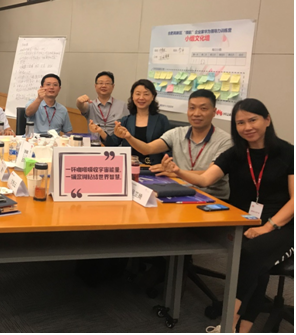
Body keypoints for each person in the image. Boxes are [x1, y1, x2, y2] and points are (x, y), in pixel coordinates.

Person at [160, 98, 293, 333]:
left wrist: (267, 227)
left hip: (282, 223)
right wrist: (178, 171)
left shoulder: (288, 152)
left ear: (267, 120)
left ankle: (229, 322)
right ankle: (243, 327)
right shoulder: (235, 153)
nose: (247, 127)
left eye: (252, 120)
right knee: (254, 260)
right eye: (240, 123)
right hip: (245, 220)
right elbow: (204, 179)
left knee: (250, 253)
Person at [108, 89, 232, 199]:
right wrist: (128, 137)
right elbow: (148, 149)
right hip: (179, 192)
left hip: (212, 198)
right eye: (192, 108)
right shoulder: (177, 133)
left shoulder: (225, 140)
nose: (196, 113)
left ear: (214, 111)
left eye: (203, 108)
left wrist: (176, 172)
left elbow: (207, 176)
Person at [89, 79, 170, 165]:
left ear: (153, 96)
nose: (141, 98)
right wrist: (100, 131)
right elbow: (113, 143)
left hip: (154, 167)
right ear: (132, 96)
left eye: (146, 94)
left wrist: (165, 165)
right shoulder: (126, 120)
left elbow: (169, 147)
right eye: (137, 94)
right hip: (129, 165)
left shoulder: (162, 120)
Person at [76, 71, 129, 136]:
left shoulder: (123, 106)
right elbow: (81, 107)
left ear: (113, 86)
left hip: (116, 142)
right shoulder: (90, 105)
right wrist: (79, 102)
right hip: (95, 142)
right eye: (100, 83)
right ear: (95, 86)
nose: (104, 86)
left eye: (107, 83)